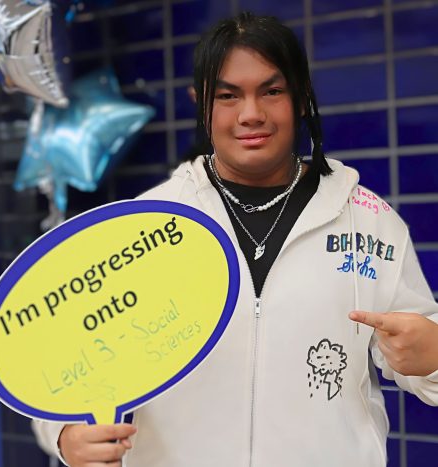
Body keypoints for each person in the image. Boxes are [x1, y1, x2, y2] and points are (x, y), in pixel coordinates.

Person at [32, 12, 438, 466]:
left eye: (272, 91)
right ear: (200, 103)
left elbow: (427, 367)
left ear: (301, 97)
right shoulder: (147, 225)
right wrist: (65, 434)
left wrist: (432, 354)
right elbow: (69, 362)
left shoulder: (370, 223)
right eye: (228, 96)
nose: (251, 114)